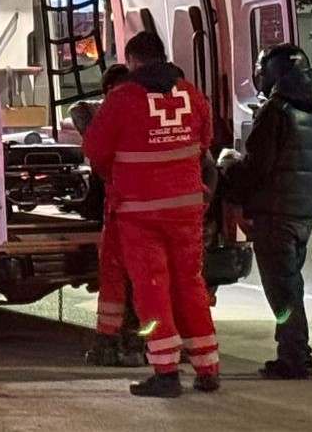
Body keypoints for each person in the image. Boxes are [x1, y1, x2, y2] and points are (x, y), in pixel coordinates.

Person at [82, 32, 220, 398]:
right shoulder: (191, 95)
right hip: (187, 208)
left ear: (132, 61)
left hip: (140, 212)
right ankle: (207, 367)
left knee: (152, 289)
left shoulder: (123, 98)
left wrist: (115, 174)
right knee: (191, 284)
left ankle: (166, 372)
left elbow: (94, 148)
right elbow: (204, 142)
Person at [219, 43, 312, 380]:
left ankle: (296, 357)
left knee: (283, 292)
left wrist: (228, 168)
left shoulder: (277, 111)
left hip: (274, 214)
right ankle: (295, 353)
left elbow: (258, 166)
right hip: (302, 213)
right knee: (291, 285)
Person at [72, 64, 147, 368]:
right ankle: (141, 343)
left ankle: (111, 343)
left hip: (123, 208)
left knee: (118, 278)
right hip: (156, 208)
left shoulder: (114, 111)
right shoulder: (160, 107)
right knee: (148, 280)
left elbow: (95, 149)